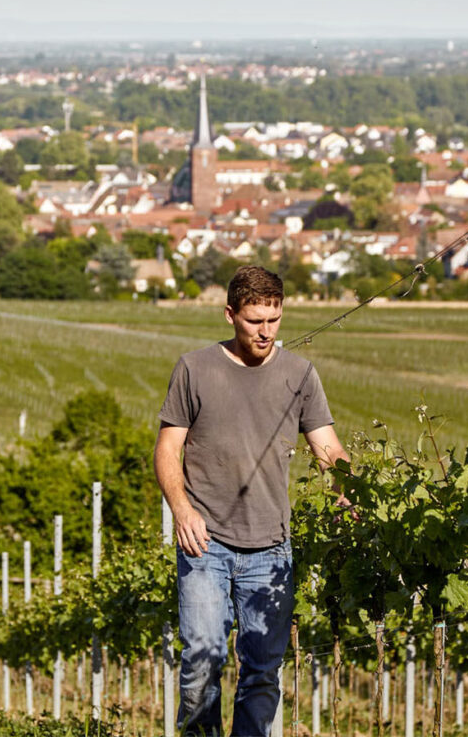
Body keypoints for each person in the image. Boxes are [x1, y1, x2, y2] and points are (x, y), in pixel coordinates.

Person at [154, 266, 351, 737]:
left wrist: (350, 494)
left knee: (262, 673)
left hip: (271, 549)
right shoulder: (194, 369)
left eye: (274, 320)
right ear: (230, 315)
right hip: (205, 543)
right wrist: (182, 509)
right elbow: (166, 449)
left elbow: (328, 449)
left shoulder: (300, 375)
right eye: (254, 321)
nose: (265, 332)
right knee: (202, 660)